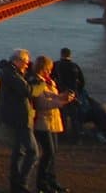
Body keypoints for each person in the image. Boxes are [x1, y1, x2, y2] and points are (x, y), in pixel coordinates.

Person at [0, 48, 45, 193]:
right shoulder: (11, 74)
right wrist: (41, 85)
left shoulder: (13, 72)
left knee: (20, 152)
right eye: (25, 62)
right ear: (17, 61)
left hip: (19, 117)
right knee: (33, 152)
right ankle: (22, 185)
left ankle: (16, 187)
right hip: (20, 118)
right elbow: (28, 91)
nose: (27, 65)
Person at [30, 55, 75, 193]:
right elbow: (42, 103)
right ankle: (42, 184)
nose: (50, 72)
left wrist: (63, 96)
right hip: (42, 123)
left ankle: (51, 181)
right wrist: (63, 102)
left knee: (53, 153)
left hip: (53, 121)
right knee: (48, 153)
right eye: (48, 69)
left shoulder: (48, 81)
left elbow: (51, 96)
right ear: (42, 68)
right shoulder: (36, 82)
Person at [53, 47, 85, 142]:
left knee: (62, 115)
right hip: (73, 94)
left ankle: (62, 136)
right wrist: (76, 91)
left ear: (61, 54)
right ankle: (77, 137)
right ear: (70, 55)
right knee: (74, 116)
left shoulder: (56, 65)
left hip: (60, 93)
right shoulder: (75, 66)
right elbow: (82, 81)